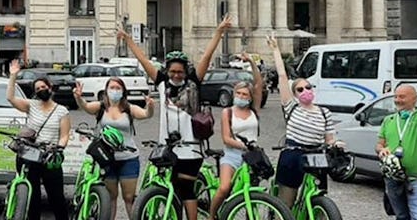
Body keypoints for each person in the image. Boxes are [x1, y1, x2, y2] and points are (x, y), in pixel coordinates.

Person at [120, 14, 231, 220]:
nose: (176, 75)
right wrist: (128, 40)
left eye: (180, 71)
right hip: (168, 148)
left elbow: (206, 56)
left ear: (185, 71)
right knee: (173, 188)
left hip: (191, 148)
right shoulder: (162, 83)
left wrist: (219, 31)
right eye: (173, 71)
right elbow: (144, 61)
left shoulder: (193, 83)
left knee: (186, 188)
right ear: (167, 71)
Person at [267, 35, 340, 209]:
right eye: (300, 89)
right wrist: (276, 50)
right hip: (293, 155)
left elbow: (329, 138)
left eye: (308, 87)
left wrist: (336, 144)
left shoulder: (324, 112)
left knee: (318, 196)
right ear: (295, 94)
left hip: (316, 156)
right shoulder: (291, 107)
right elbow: (283, 76)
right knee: (287, 202)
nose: (305, 90)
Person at [74, 77, 155, 219]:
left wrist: (150, 106)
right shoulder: (101, 107)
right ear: (106, 90)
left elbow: (146, 115)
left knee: (129, 197)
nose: (115, 91)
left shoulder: (129, 108)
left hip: (128, 158)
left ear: (123, 91)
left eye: (118, 88)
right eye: (112, 88)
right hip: (107, 159)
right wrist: (78, 97)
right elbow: (86, 107)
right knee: (110, 197)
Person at [7, 59, 71, 220]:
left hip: (50, 156)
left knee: (56, 198)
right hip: (30, 154)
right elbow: (10, 98)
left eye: (43, 87)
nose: (41, 90)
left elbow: (64, 135)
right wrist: (13, 76)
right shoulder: (32, 105)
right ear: (35, 92)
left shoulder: (61, 111)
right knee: (32, 197)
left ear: (50, 88)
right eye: (38, 88)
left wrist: (59, 148)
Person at [207, 53, 264, 220]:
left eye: (245, 94)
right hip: (232, 155)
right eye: (238, 93)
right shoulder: (228, 112)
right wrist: (243, 145)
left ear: (250, 97)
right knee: (225, 188)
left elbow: (259, 83)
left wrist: (252, 63)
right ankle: (212, 215)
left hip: (252, 157)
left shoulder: (254, 110)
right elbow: (226, 138)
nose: (241, 96)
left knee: (250, 193)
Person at [378, 84, 417, 220]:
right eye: (395, 96)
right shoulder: (388, 120)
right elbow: (379, 144)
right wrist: (381, 149)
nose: (397, 100)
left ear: (415, 99)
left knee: (416, 214)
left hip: (416, 177)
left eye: (402, 96)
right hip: (393, 177)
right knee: (401, 215)